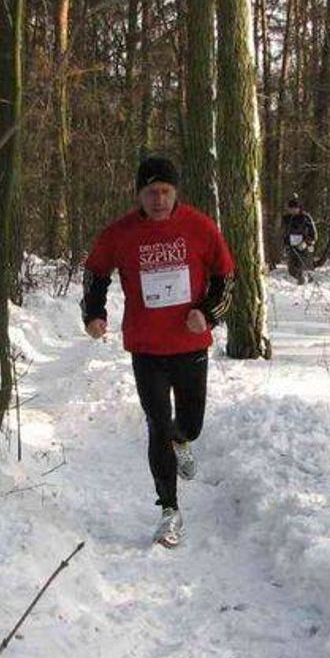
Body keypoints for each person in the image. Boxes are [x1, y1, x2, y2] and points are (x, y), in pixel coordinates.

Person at [81, 155, 235, 548]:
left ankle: (182, 439)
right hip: (146, 346)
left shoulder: (199, 228)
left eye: (165, 191)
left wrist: (209, 314)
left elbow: (225, 276)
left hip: (190, 345)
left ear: (176, 192)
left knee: (189, 423)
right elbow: (96, 272)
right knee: (156, 423)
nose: (159, 199)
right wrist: (94, 313)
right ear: (139, 196)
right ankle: (169, 510)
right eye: (151, 192)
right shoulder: (121, 233)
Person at [281, 195, 317, 284]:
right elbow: (284, 232)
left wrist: (306, 243)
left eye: (294, 209)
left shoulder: (306, 218)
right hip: (291, 246)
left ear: (298, 208)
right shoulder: (286, 218)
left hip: (303, 246)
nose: (292, 211)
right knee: (291, 269)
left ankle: (304, 283)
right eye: (290, 209)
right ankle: (301, 280)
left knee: (302, 266)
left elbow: (313, 234)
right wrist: (285, 243)